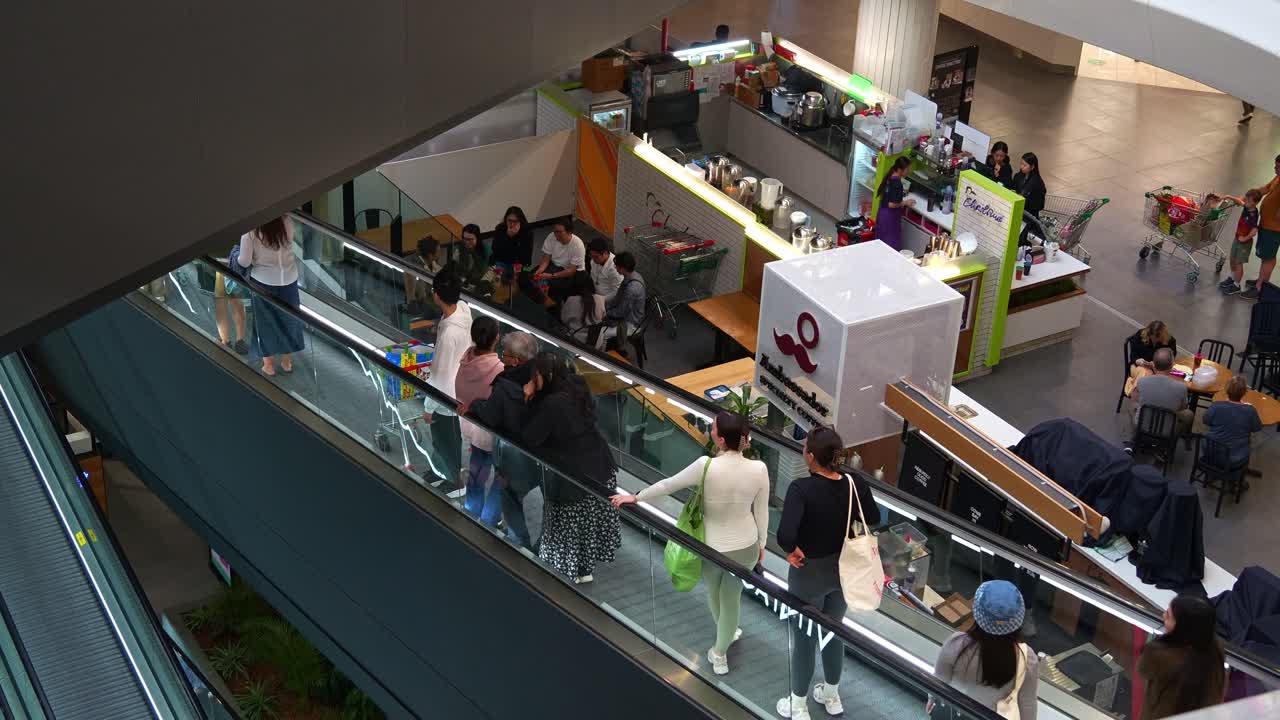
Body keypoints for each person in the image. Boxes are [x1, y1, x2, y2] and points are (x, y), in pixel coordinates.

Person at [610, 412, 769, 676]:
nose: (710, 428)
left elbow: (668, 485)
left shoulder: (705, 466)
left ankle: (721, 649)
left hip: (711, 546)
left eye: (713, 427)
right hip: (746, 545)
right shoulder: (759, 469)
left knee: (714, 592)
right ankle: (723, 642)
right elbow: (761, 512)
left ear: (720, 439)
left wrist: (636, 498)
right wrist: (762, 545)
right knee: (731, 595)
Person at [775, 427, 880, 720]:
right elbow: (873, 517)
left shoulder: (801, 489)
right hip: (845, 571)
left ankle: (798, 705)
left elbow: (785, 535)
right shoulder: (853, 482)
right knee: (834, 629)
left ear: (810, 456)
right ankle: (831, 695)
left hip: (808, 572)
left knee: (804, 638)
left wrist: (791, 550)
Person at [521, 352, 620, 583]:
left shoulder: (551, 403)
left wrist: (527, 399)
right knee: (586, 523)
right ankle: (584, 571)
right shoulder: (577, 385)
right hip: (600, 466)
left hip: (571, 475)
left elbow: (531, 437)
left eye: (535, 377)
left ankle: (568, 572)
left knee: (568, 525)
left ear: (543, 376)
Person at [462, 331, 541, 548]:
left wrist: (475, 405)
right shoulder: (545, 375)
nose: (501, 357)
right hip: (540, 452)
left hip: (512, 452)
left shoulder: (506, 384)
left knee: (509, 497)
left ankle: (512, 542)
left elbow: (491, 416)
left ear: (515, 360)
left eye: (504, 354)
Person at [931, 580, 1038, 719]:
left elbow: (939, 680)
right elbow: (1028, 703)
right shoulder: (1026, 657)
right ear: (1019, 617)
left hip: (953, 713)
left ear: (977, 613)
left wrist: (932, 699)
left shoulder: (956, 644)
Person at [422, 267, 472, 487]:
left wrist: (428, 406)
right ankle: (441, 469)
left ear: (437, 295)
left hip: (447, 396)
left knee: (445, 438)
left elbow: (440, 376)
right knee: (449, 438)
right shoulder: (463, 309)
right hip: (460, 387)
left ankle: (450, 479)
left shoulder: (449, 335)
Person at [1138, 595, 1225, 719]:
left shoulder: (1161, 657)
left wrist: (1162, 641)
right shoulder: (1215, 649)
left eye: (1168, 615)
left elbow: (1143, 668)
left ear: (1182, 626)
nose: (1163, 616)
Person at [235, 217, 303, 376]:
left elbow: (244, 262)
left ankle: (269, 366)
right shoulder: (287, 221)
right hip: (289, 280)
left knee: (265, 322)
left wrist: (237, 254)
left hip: (263, 282)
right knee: (289, 321)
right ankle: (287, 362)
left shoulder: (250, 231)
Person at [455, 316, 506, 527]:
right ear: (497, 338)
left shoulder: (464, 364)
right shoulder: (499, 370)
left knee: (476, 477)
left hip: (472, 431)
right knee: (502, 480)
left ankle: (471, 516)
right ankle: (488, 521)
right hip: (493, 436)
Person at [1128, 348, 1193, 450]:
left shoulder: (1142, 382)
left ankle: (1135, 437)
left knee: (1133, 405)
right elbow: (1182, 408)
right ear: (1172, 365)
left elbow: (1134, 402)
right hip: (1168, 430)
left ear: (1153, 364)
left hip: (1142, 425)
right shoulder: (1181, 387)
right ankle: (1172, 444)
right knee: (1188, 414)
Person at [1240, 155, 1280, 300]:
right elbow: (1265, 189)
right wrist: (1251, 196)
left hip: (1274, 229)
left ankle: (1260, 289)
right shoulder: (1278, 177)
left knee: (1268, 258)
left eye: (1278, 166)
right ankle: (1261, 281)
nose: (1275, 168)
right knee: (1266, 256)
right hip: (1267, 225)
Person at [523, 217, 586, 305]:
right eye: (555, 231)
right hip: (554, 265)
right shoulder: (551, 236)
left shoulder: (578, 245)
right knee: (531, 277)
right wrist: (540, 270)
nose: (555, 234)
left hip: (570, 272)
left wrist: (551, 276)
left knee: (551, 287)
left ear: (569, 232)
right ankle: (532, 302)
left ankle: (550, 307)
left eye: (559, 232)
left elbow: (571, 271)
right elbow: (546, 258)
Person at [1202, 375, 1262, 468]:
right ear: (1244, 392)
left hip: (1210, 452)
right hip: (1235, 458)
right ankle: (1240, 473)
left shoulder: (1216, 406)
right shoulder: (1250, 410)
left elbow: (1205, 420)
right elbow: (1256, 428)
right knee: (1252, 439)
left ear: (1227, 390)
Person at [596, 251, 646, 350]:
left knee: (602, 333)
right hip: (627, 315)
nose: (615, 268)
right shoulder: (633, 275)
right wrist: (604, 307)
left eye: (616, 266)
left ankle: (603, 355)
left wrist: (605, 313)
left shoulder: (632, 288)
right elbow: (617, 299)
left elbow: (621, 312)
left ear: (622, 268)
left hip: (631, 323)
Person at [1219, 189, 1263, 295]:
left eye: (1248, 201)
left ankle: (1236, 285)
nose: (1245, 202)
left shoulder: (1253, 215)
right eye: (1246, 199)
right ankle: (1233, 277)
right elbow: (1240, 201)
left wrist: (1246, 238)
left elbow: (1254, 230)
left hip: (1244, 243)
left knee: (1238, 263)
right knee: (1232, 259)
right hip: (1237, 238)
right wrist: (1228, 196)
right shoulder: (1247, 207)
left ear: (1255, 203)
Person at [873, 156, 915, 252]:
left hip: (882, 214)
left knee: (880, 244)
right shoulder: (897, 183)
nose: (908, 171)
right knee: (890, 248)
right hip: (890, 218)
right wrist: (906, 202)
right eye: (907, 169)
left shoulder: (889, 176)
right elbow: (891, 204)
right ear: (900, 169)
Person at [1012, 152, 1047, 244]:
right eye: (1021, 164)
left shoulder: (1037, 183)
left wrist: (1024, 200)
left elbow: (1040, 205)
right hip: (1017, 212)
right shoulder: (1018, 176)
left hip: (1028, 216)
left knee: (1021, 238)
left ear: (1032, 167)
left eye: (1025, 165)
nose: (1021, 167)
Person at [213, 271, 249, 355]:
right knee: (223, 305)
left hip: (232, 268)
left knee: (236, 305)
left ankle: (236, 341)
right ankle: (227, 341)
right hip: (226, 267)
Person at [403, 236, 443, 308]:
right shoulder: (414, 268)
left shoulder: (433, 263)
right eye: (438, 251)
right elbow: (421, 296)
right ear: (430, 255)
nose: (440, 253)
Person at [454, 223, 494, 295]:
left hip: (481, 287)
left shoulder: (486, 250)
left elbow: (491, 269)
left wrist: (482, 285)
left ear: (477, 239)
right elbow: (454, 268)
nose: (466, 242)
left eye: (470, 239)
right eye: (464, 239)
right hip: (463, 286)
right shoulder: (459, 250)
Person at [587, 237, 624, 302]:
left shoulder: (615, 268)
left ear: (605, 253)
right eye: (591, 256)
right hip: (595, 296)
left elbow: (617, 292)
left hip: (607, 301)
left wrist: (601, 300)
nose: (593, 259)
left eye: (596, 257)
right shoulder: (594, 260)